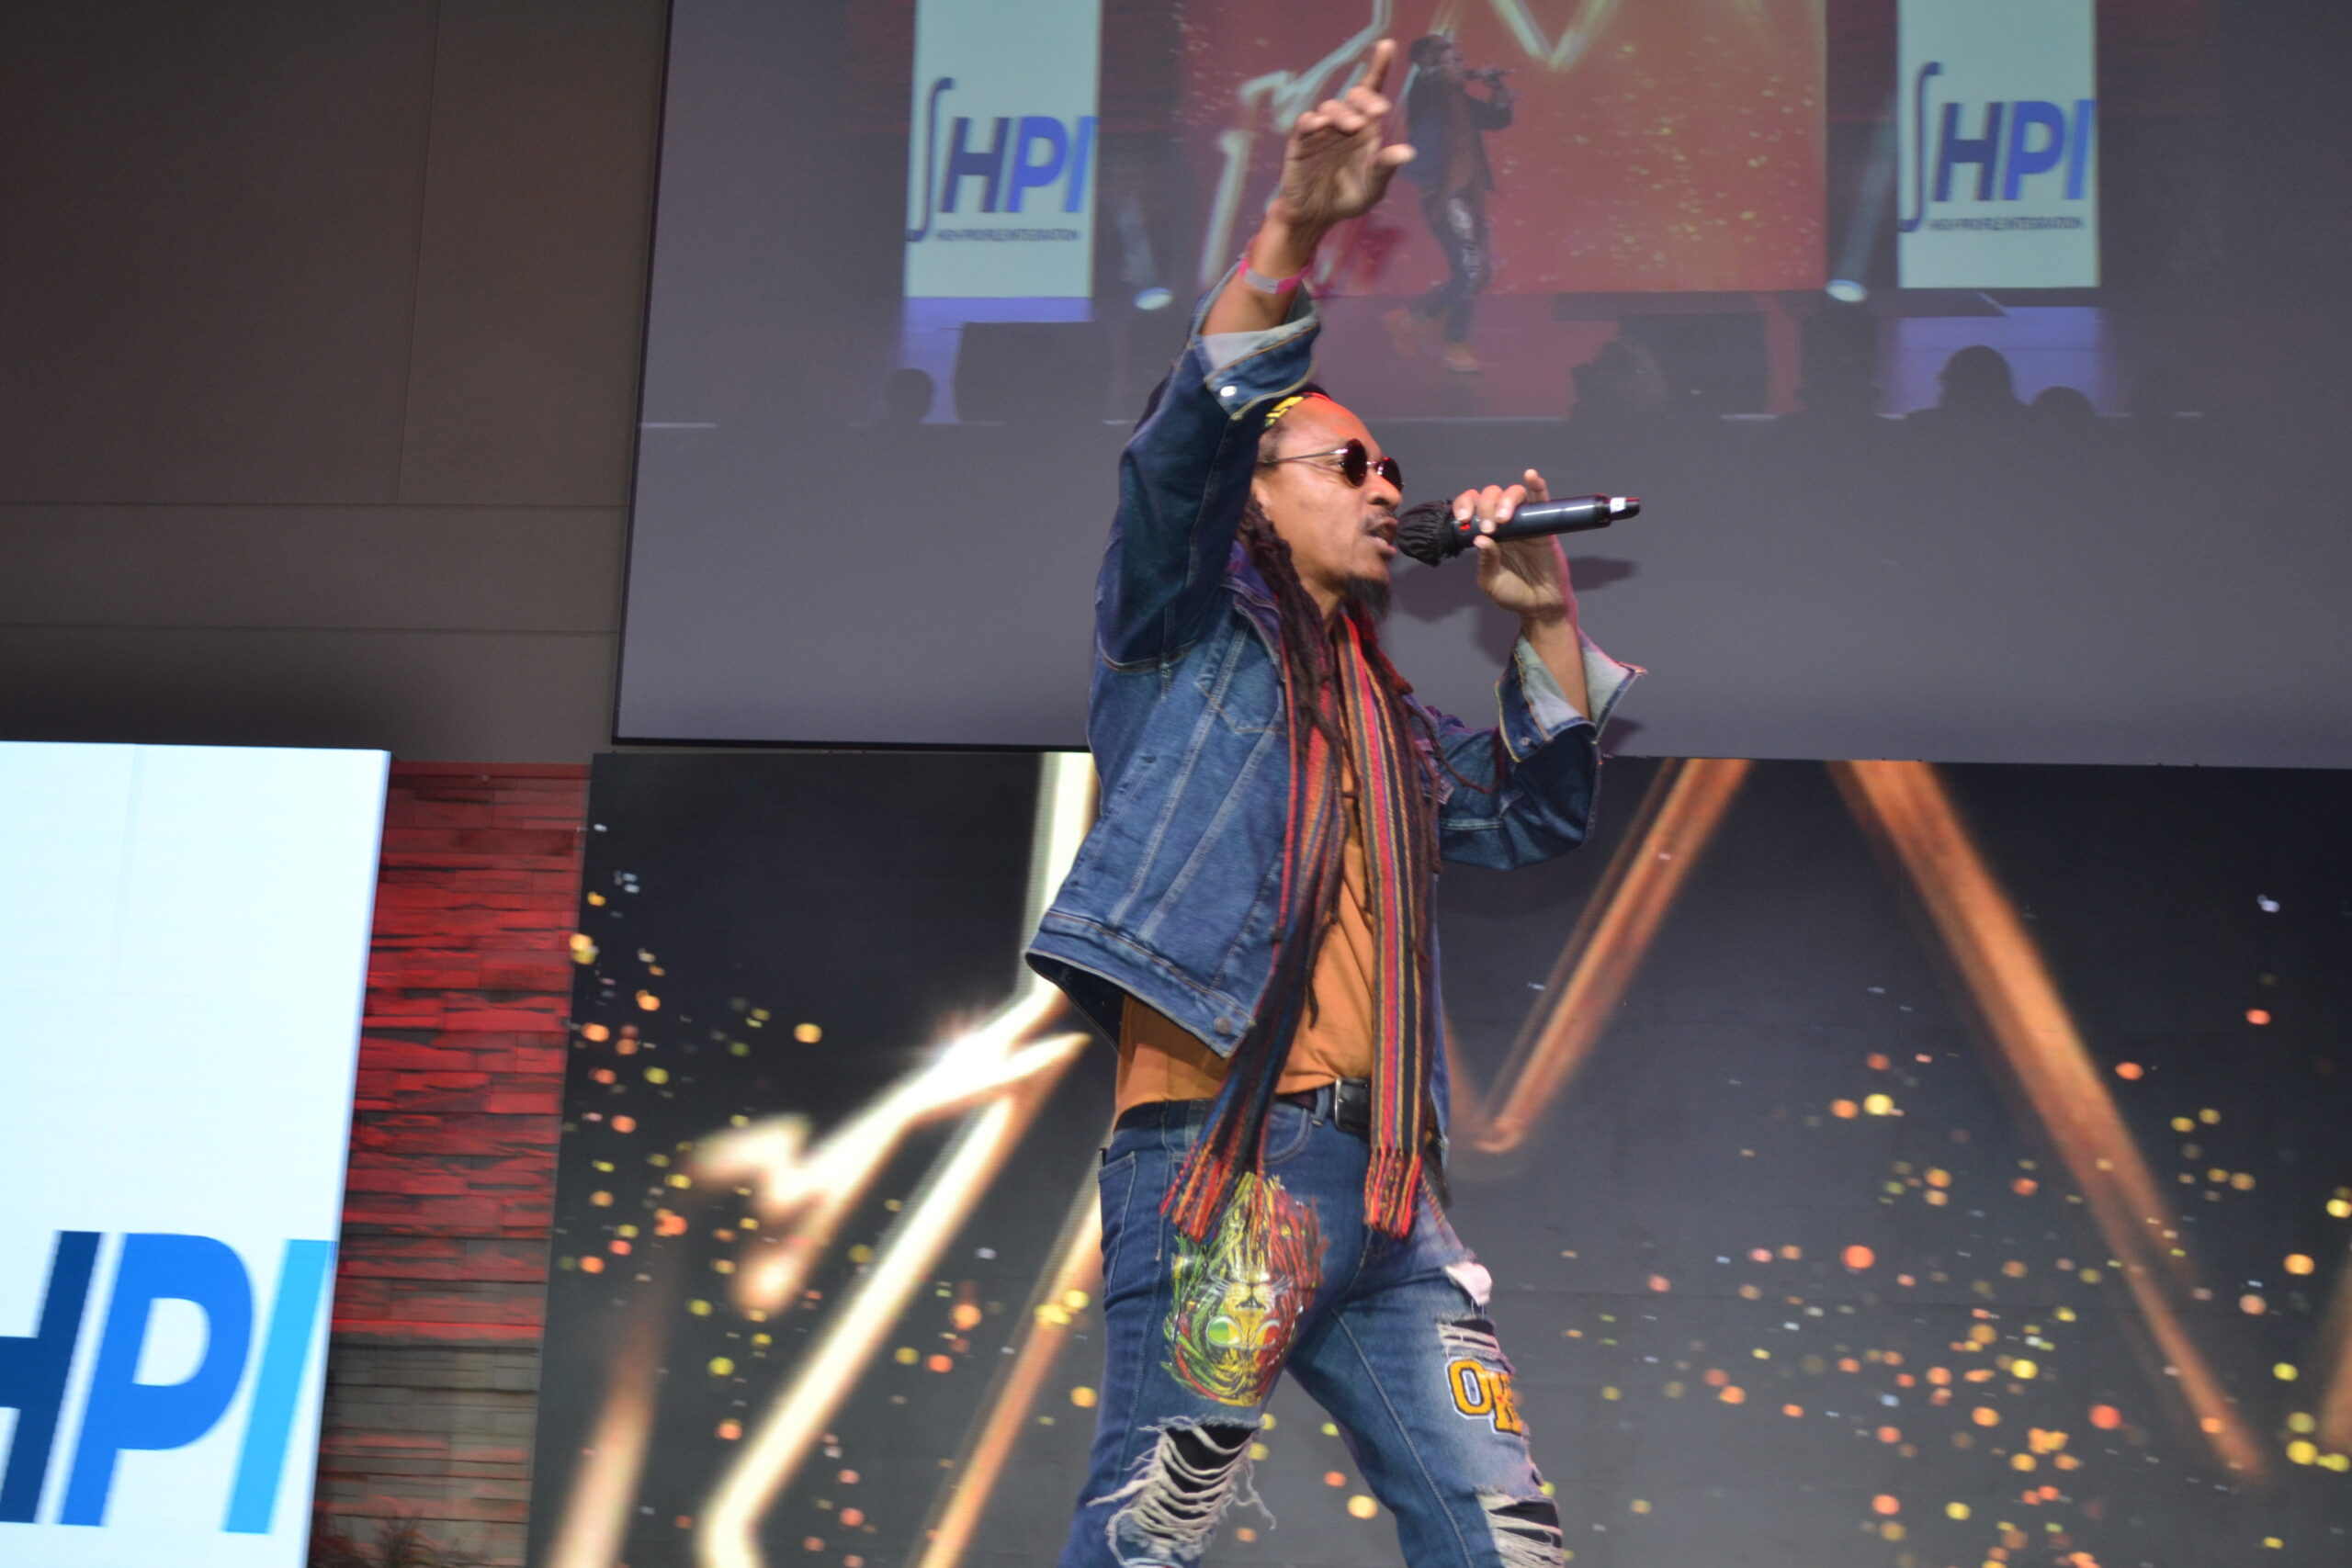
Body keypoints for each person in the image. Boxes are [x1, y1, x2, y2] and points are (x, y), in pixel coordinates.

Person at [1025, 38, 1635, 1568]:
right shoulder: (1177, 632)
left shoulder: (1382, 712)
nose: (1383, 486)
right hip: (1237, 1169)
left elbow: (1532, 816)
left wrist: (1544, 614)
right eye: (1347, 461)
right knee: (1152, 1532)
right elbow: (1179, 450)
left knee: (1507, 1542)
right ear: (1255, 489)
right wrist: (1296, 224)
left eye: (1390, 466)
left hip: (1394, 1195)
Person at [1384, 34, 1515, 375]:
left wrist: (1496, 87)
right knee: (1470, 271)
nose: (1463, 65)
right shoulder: (1426, 94)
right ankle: (1455, 344)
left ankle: (1410, 319)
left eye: (1462, 60)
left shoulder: (1459, 100)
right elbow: (1430, 80)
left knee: (1477, 272)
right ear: (1433, 65)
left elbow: (1497, 119)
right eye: (1455, 60)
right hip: (1445, 197)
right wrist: (1472, 74)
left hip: (1468, 195)